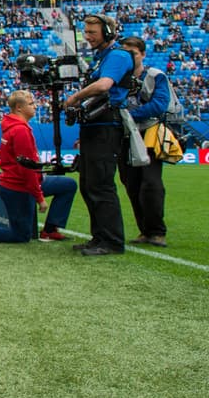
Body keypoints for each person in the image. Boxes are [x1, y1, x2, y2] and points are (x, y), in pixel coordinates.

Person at [0, 91, 77, 243]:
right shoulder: (20, 130)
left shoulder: (12, 126)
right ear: (19, 107)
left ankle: (50, 229)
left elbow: (6, 156)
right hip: (19, 187)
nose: (36, 106)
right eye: (31, 104)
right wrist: (39, 198)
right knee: (20, 236)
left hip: (20, 183)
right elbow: (27, 169)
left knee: (68, 185)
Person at [64, 14, 134, 256]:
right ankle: (99, 237)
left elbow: (104, 85)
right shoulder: (100, 57)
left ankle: (112, 242)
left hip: (106, 126)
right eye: (86, 31)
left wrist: (75, 97)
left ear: (107, 31)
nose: (88, 36)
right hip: (94, 127)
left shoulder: (117, 55)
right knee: (88, 184)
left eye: (92, 32)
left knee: (101, 185)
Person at [117, 36, 170, 247]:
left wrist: (129, 115)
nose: (130, 57)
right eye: (126, 53)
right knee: (131, 184)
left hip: (148, 134)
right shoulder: (117, 76)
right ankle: (144, 230)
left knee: (151, 184)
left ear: (143, 54)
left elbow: (159, 105)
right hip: (124, 136)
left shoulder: (156, 76)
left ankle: (157, 231)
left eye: (134, 53)